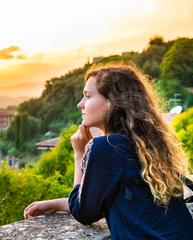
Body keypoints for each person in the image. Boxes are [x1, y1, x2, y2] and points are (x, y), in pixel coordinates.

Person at [24, 63, 193, 239]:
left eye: (87, 96)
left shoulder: (107, 146)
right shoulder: (144, 143)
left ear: (111, 102)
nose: (80, 104)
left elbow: (84, 213)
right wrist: (56, 205)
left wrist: (79, 154)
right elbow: (99, 200)